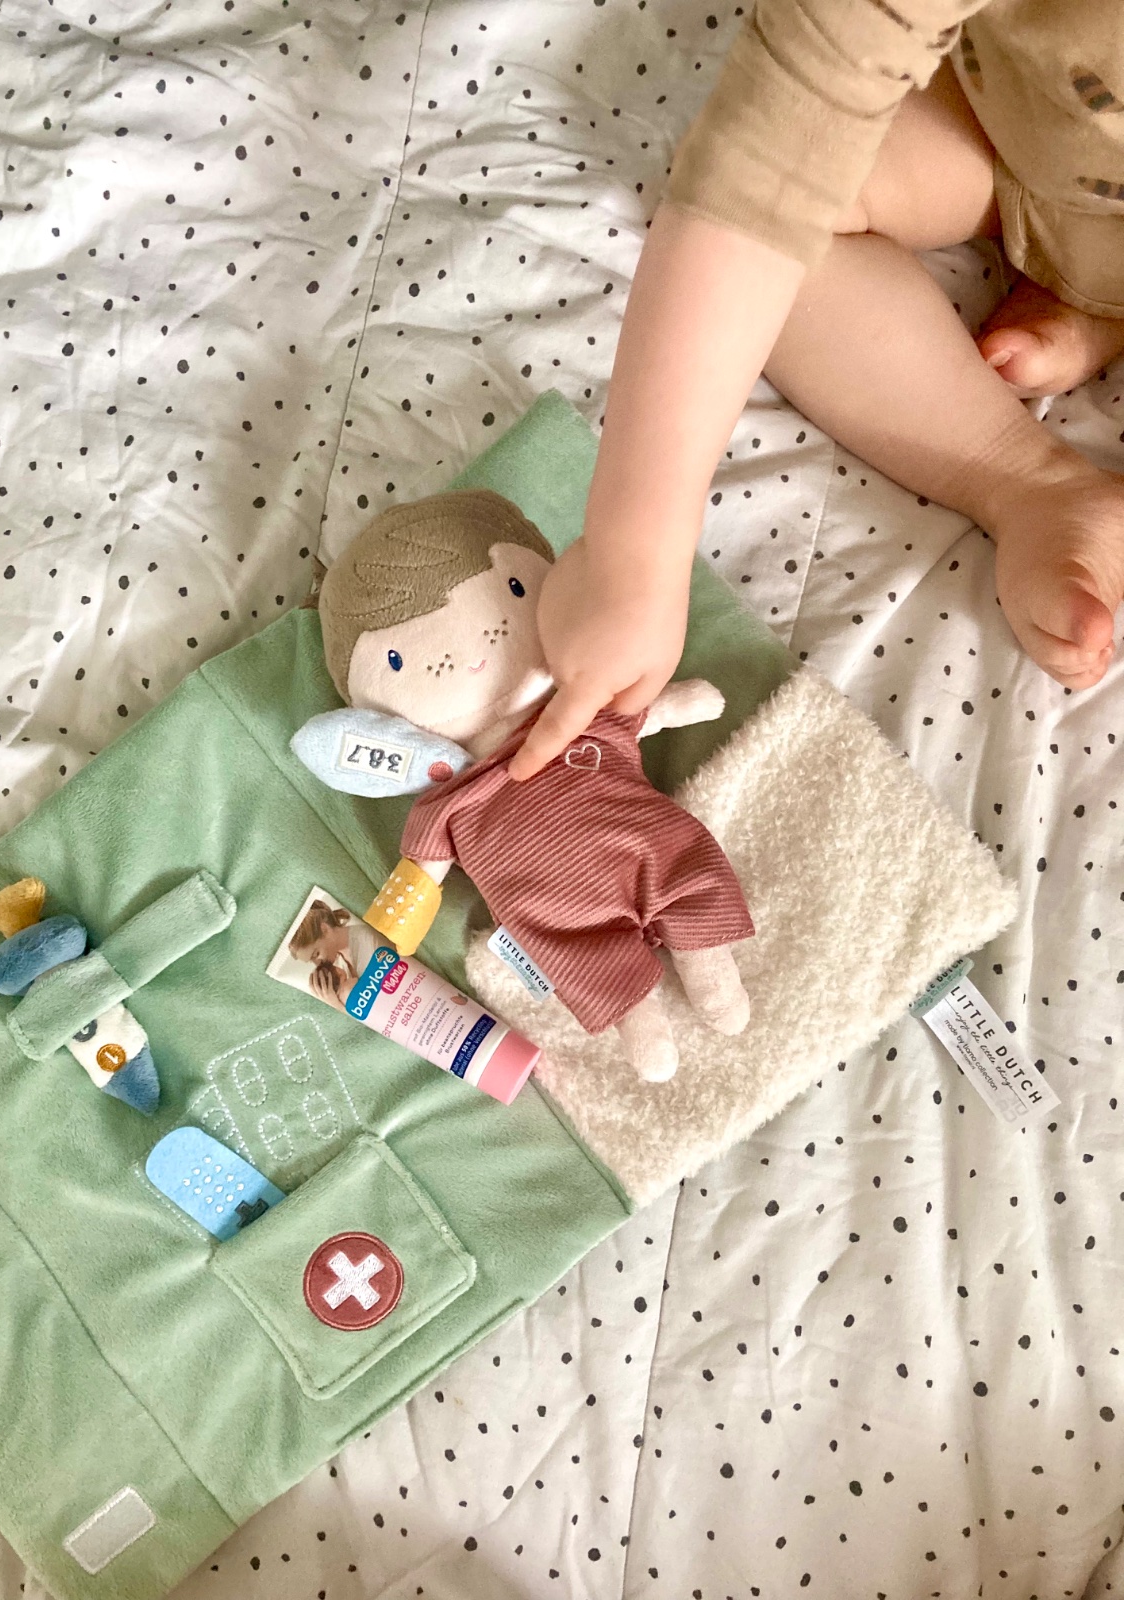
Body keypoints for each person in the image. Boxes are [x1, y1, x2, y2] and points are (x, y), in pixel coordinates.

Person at [510, 0, 1124, 783]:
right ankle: (1025, 470)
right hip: (1019, 130)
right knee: (768, 247)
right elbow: (757, 185)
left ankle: (1090, 304)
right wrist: (635, 553)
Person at [288, 901, 382, 1009]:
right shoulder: (340, 963)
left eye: (316, 954)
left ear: (325, 930)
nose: (318, 964)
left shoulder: (366, 942)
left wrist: (336, 1004)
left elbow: (380, 1012)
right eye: (311, 961)